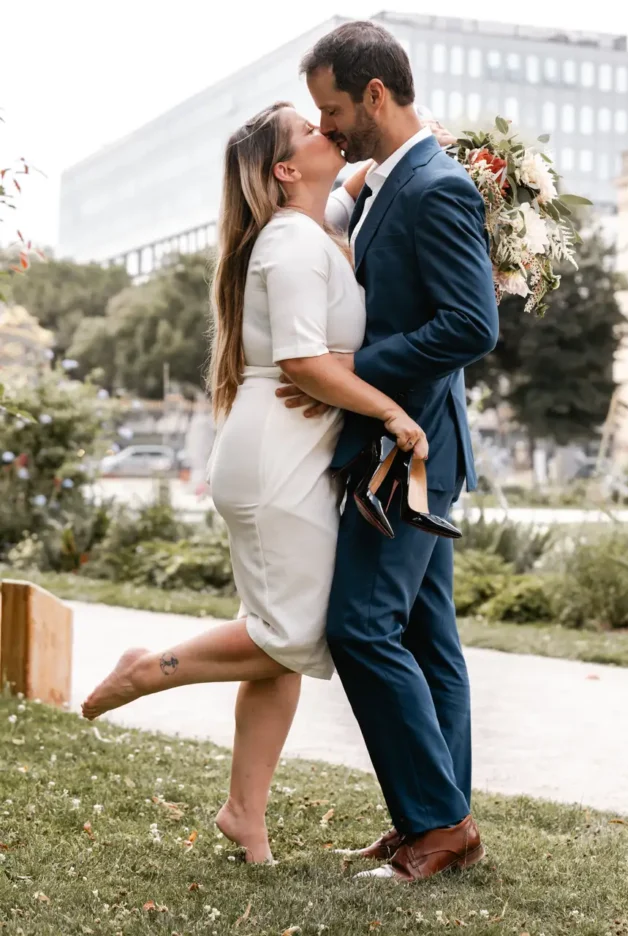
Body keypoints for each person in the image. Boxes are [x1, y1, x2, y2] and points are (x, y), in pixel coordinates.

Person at [80, 100, 428, 865]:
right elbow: (307, 364)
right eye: (311, 132)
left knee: (283, 639)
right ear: (283, 169)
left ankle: (246, 814)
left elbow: (362, 174)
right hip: (279, 459)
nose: (326, 133)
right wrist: (393, 412)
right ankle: (149, 669)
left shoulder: (312, 221)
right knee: (292, 637)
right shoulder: (293, 244)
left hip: (287, 452)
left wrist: (435, 153)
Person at [276, 20, 499, 882]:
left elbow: (469, 326)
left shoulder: (436, 187)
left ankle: (439, 824)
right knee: (424, 635)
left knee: (362, 626)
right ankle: (434, 821)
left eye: (333, 112)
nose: (327, 130)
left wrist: (349, 369)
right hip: (407, 442)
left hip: (411, 451)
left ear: (375, 95)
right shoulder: (388, 184)